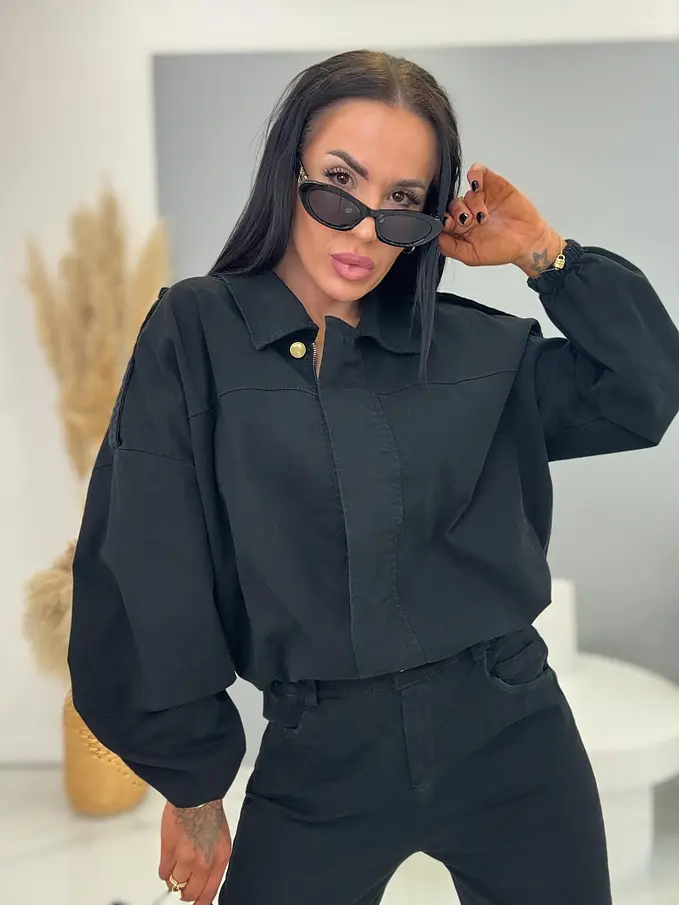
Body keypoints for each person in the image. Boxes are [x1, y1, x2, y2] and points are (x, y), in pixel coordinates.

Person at [68, 49, 679, 905]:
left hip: (512, 735)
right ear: (287, 171)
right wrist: (193, 781)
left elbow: (642, 390)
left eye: (401, 203)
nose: (363, 230)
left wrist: (543, 252)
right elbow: (148, 554)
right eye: (338, 183)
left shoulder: (471, 348)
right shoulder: (196, 333)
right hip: (318, 755)